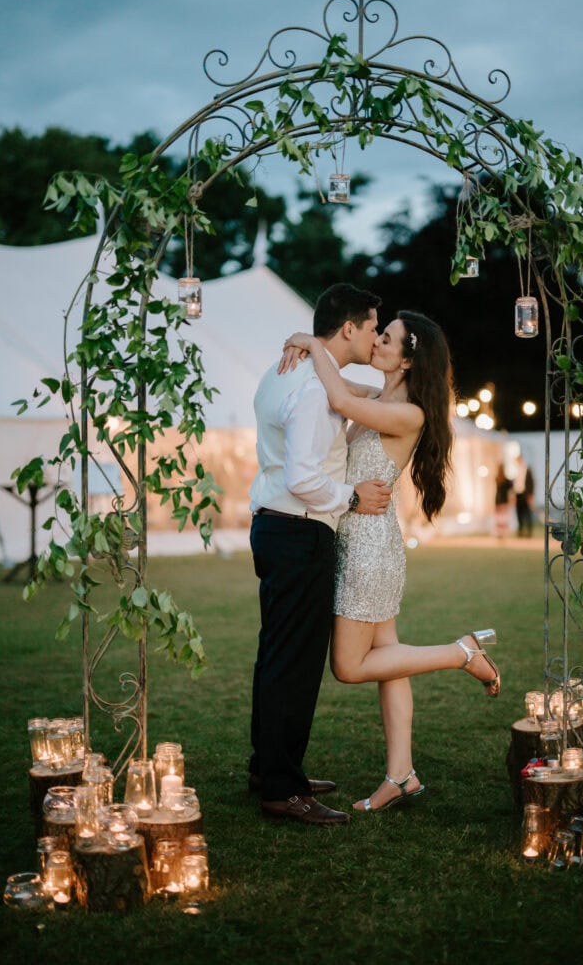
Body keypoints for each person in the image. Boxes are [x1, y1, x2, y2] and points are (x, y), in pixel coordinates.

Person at [280, 311, 500, 813]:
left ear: (407, 359)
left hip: (368, 550)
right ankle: (401, 775)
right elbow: (339, 381)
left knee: (349, 666)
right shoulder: (379, 397)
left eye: (386, 338)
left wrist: (311, 342)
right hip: (363, 539)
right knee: (389, 662)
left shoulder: (411, 414)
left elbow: (336, 395)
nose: (376, 342)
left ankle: (460, 652)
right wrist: (315, 352)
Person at [248, 283, 392, 826]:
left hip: (275, 527)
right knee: (295, 662)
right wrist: (353, 499)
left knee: (274, 655)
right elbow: (305, 476)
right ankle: (283, 789)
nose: (377, 335)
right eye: (373, 325)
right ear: (349, 328)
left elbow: (354, 395)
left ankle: (270, 767)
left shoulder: (290, 371)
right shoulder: (311, 387)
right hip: (302, 530)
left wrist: (309, 343)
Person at [513, 453, 534, 538]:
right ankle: (520, 531)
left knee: (527, 513)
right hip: (518, 494)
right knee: (519, 513)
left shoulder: (527, 469)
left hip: (525, 494)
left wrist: (530, 494)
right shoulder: (516, 471)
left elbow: (531, 483)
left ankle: (529, 532)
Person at [494, 462, 514, 539]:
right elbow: (511, 486)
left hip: (498, 500)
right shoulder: (506, 480)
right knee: (504, 518)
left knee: (498, 518)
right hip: (504, 501)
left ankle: (499, 533)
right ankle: (504, 533)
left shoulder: (497, 479)